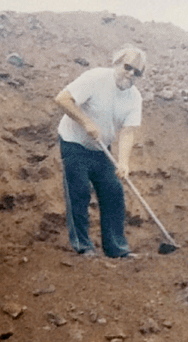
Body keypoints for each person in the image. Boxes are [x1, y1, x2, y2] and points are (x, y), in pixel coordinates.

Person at [54, 46, 146, 259]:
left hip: (101, 148)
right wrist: (85, 122)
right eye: (128, 67)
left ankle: (117, 249)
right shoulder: (95, 78)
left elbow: (128, 132)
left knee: (113, 192)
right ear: (117, 63)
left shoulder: (134, 98)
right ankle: (83, 246)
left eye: (137, 72)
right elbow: (62, 98)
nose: (131, 73)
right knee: (79, 192)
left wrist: (123, 163)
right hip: (74, 142)